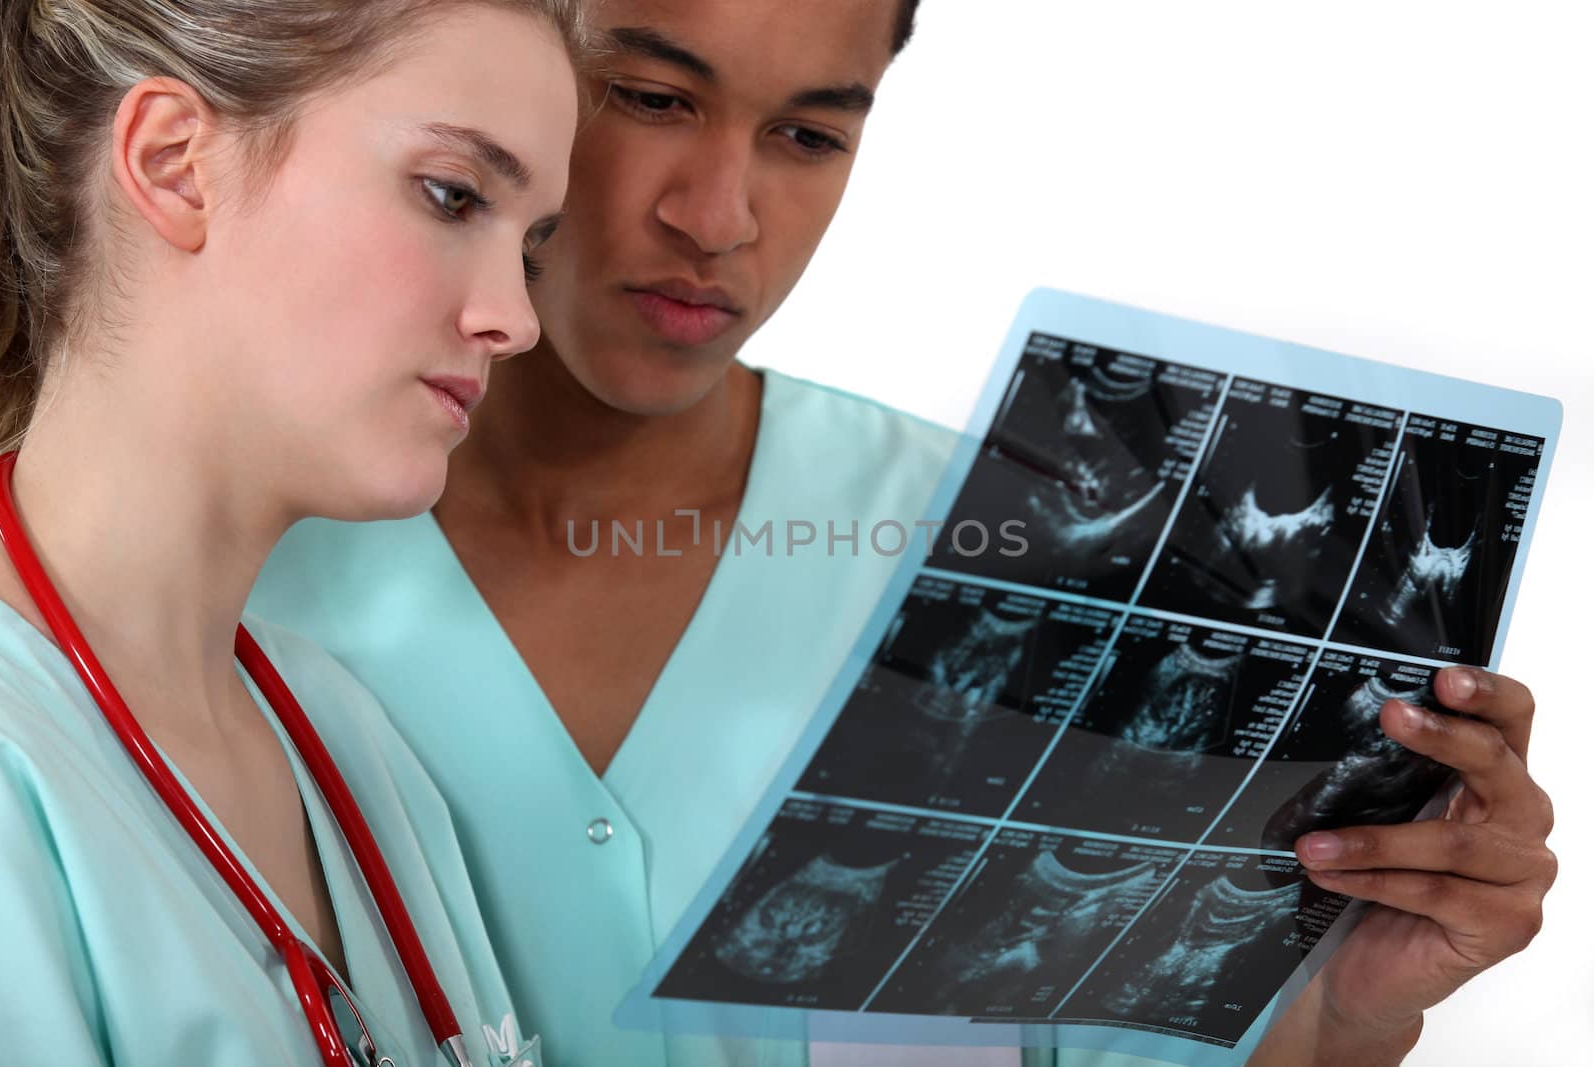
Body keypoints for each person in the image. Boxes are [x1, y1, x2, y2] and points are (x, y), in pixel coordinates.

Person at [250, 2, 1558, 1066]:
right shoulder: (240, 561)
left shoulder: (1033, 555)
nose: (719, 217)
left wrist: (1346, 1013)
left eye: (808, 134)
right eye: (651, 99)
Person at [0, 1, 581, 1063]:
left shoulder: (348, 738)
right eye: (453, 196)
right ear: (174, 163)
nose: (515, 316)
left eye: (530, 247)